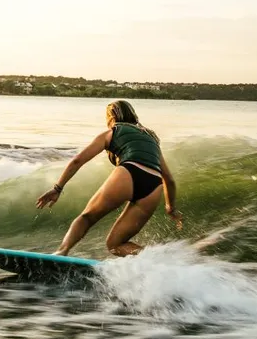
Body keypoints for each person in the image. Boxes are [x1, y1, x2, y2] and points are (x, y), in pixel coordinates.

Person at [36, 100, 182, 257]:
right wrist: (170, 208)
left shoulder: (114, 131)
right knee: (115, 245)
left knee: (87, 218)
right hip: (154, 185)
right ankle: (161, 260)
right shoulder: (151, 139)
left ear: (111, 117)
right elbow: (169, 179)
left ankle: (62, 251)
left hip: (129, 171)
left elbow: (77, 161)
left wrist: (57, 188)